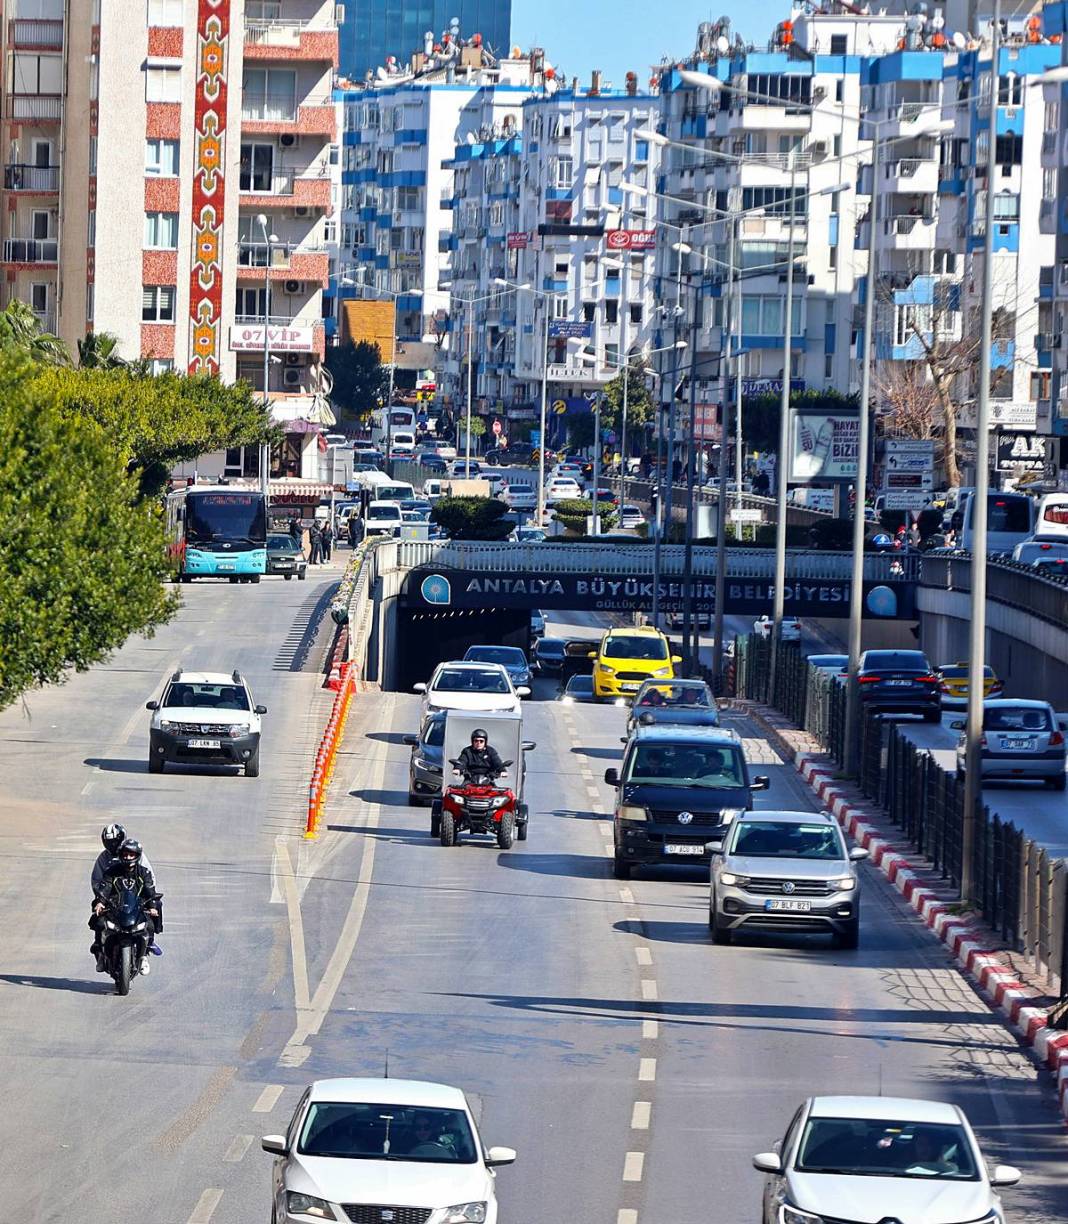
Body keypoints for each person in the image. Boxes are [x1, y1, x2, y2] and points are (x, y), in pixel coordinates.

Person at [91, 838, 162, 975]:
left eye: (131, 855)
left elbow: (150, 891)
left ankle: (145, 953)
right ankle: (100, 954)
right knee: (99, 923)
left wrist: (152, 906)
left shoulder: (144, 872)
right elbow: (105, 887)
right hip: (115, 907)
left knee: (151, 925)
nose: (128, 857)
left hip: (137, 908)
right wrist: (100, 902)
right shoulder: (112, 872)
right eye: (125, 854)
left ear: (137, 855)